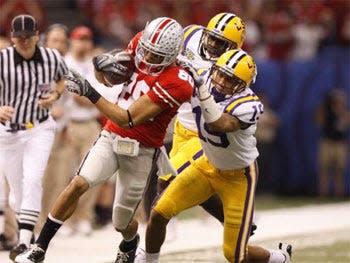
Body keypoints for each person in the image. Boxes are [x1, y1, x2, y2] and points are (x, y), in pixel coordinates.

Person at [16, 17, 193, 263]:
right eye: (147, 51)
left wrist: (89, 92)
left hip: (141, 149)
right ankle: (39, 248)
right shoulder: (141, 41)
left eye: (155, 56)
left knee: (121, 221)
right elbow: (108, 78)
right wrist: (102, 67)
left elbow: (127, 118)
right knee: (78, 183)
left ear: (170, 55)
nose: (147, 58)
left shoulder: (178, 82)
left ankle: (130, 242)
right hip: (111, 136)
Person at [136, 49, 292, 263]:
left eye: (230, 79)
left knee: (235, 255)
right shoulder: (204, 76)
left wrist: (200, 88)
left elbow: (218, 124)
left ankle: (277, 258)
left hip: (238, 177)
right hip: (206, 164)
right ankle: (148, 260)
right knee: (159, 212)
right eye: (220, 73)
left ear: (242, 85)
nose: (221, 81)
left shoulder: (248, 104)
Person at [155, 12, 247, 225]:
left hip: (202, 131)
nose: (213, 44)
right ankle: (236, 222)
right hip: (181, 123)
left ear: (234, 47)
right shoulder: (191, 34)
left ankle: (153, 235)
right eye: (212, 37)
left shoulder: (233, 67)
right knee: (188, 185)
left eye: (220, 42)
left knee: (167, 179)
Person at [0, 14, 68, 261]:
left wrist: (55, 96)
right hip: (8, 131)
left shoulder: (52, 57)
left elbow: (63, 79)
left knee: (33, 179)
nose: (25, 42)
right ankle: (24, 232)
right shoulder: (2, 59)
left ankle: (24, 242)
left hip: (40, 126)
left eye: (29, 36)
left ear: (37, 35)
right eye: (20, 37)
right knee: (18, 190)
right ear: (12, 37)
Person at [315, 89, 350, 197]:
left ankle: (338, 194)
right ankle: (323, 194)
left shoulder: (344, 112)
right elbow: (318, 121)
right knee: (324, 170)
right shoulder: (325, 111)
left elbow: (347, 122)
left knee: (339, 171)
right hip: (327, 142)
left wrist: (341, 112)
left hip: (340, 144)